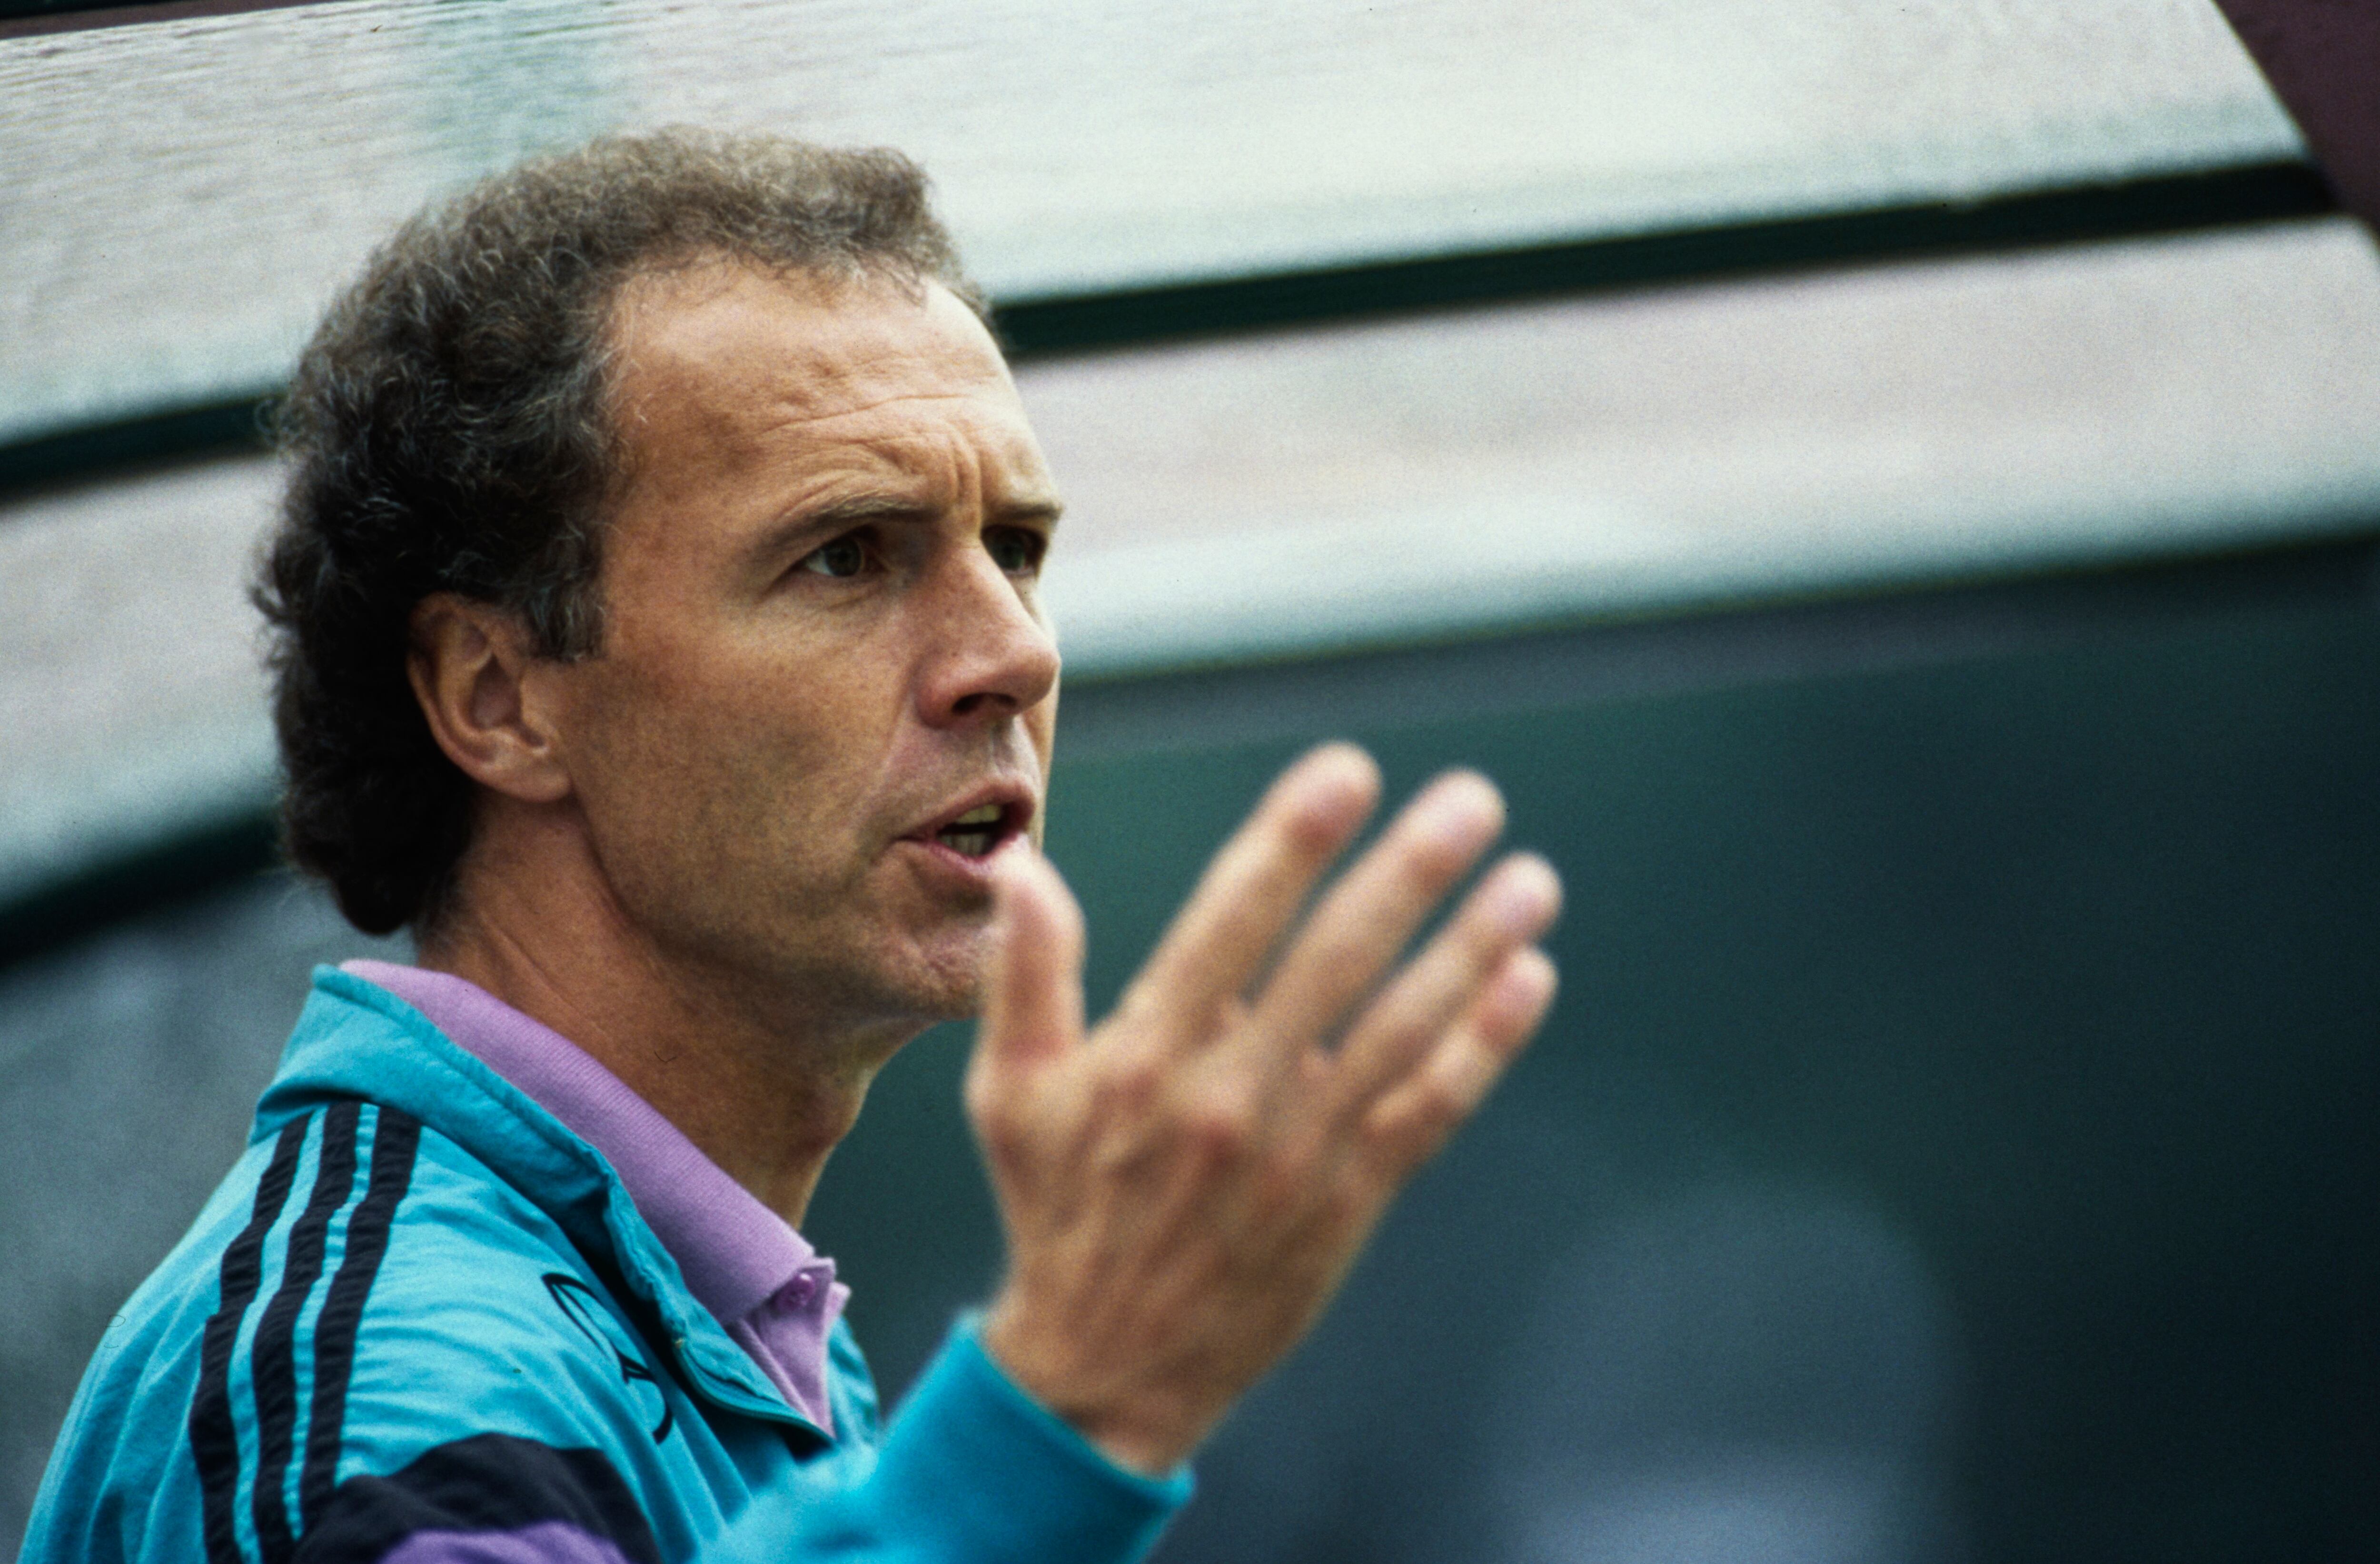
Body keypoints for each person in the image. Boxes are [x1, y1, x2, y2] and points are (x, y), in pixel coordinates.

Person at [22, 130, 1560, 1564]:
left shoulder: (661, 1315)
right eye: (846, 556)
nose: (1011, 652)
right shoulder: (389, 1383)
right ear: (498, 699)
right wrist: (1057, 1420)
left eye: (1016, 550)